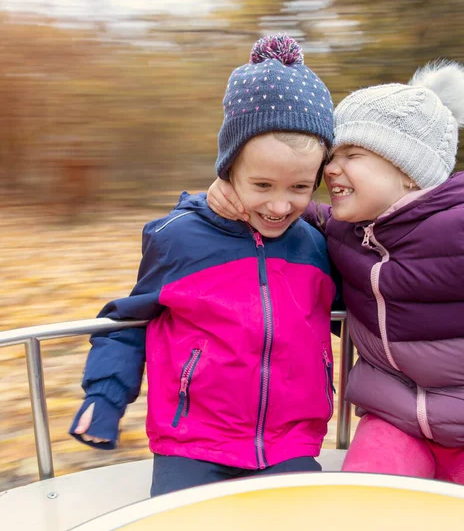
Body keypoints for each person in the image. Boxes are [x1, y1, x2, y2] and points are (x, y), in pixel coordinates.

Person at [206, 60, 464, 511]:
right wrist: (224, 191)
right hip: (391, 423)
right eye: (332, 157)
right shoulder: (344, 231)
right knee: (361, 520)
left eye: (352, 156)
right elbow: (284, 207)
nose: (330, 170)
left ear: (409, 170)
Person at [69, 34, 338, 497]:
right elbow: (127, 321)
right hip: (191, 444)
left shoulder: (313, 245)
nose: (279, 204)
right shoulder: (178, 239)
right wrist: (106, 395)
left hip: (290, 444)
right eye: (262, 184)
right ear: (228, 169)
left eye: (299, 187)